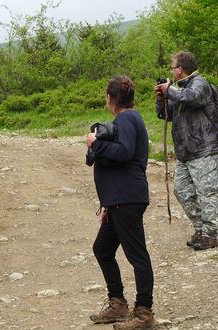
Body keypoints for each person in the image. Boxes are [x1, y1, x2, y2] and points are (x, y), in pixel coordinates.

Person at [87, 76, 154, 329]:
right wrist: (108, 204)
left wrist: (96, 144)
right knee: (102, 249)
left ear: (109, 98)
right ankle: (118, 304)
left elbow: (124, 152)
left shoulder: (126, 118)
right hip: (119, 200)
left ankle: (144, 313)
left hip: (128, 198)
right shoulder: (128, 118)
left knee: (137, 256)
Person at [155, 51, 218, 250]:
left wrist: (170, 89)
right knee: (181, 190)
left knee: (207, 193)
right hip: (185, 152)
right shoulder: (179, 89)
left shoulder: (199, 83)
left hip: (204, 149)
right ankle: (201, 229)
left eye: (173, 67)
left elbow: (192, 98)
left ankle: (213, 233)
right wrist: (161, 98)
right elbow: (166, 116)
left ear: (180, 69)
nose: (171, 71)